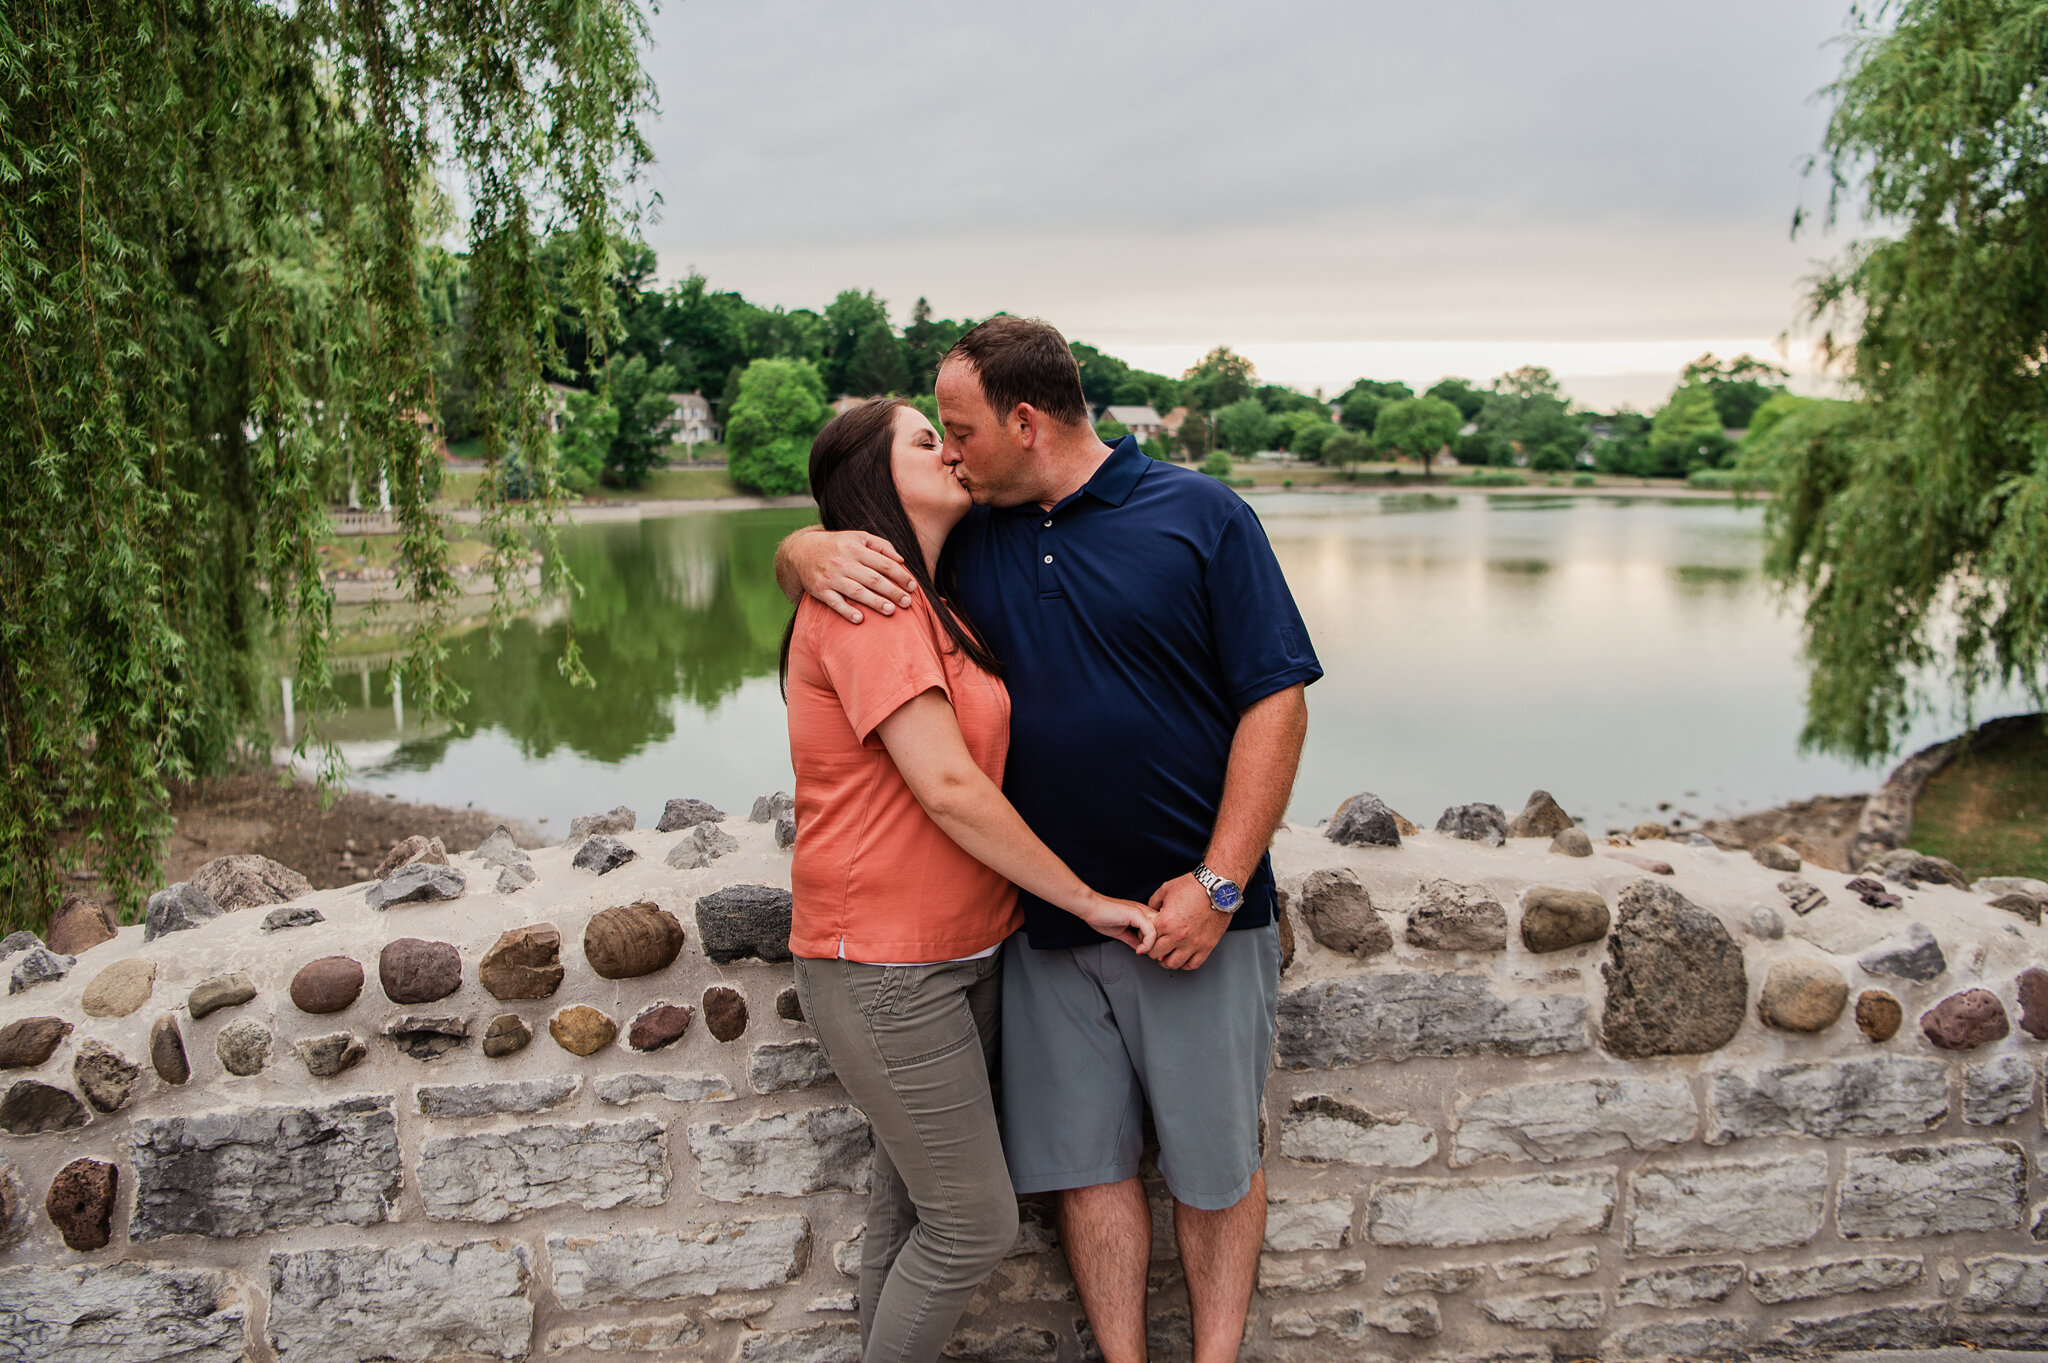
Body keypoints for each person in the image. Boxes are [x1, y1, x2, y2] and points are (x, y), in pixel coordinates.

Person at [778, 317, 1320, 1363]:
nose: (948, 448)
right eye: (932, 434)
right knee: (1085, 1169)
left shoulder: (1199, 513)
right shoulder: (965, 535)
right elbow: (851, 550)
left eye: (959, 428)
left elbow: (1277, 703)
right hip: (1045, 935)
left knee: (1213, 1169)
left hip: (1187, 916)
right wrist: (797, 548)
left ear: (1022, 422)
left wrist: (1216, 885)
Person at [782, 395, 1158, 1363]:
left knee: (907, 1210)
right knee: (971, 1225)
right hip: (882, 962)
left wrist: (797, 546)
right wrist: (1083, 898)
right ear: (872, 477)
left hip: (959, 951)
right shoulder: (873, 600)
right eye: (923, 440)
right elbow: (947, 787)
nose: (950, 451)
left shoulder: (936, 589)